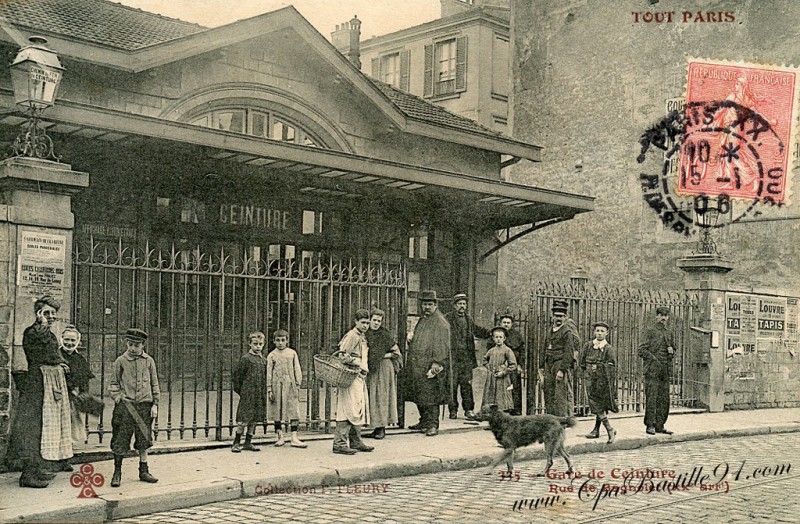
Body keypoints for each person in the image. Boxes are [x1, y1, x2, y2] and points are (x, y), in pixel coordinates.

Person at [14, 295, 73, 488]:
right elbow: (43, 355)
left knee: (44, 428)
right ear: (38, 314)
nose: (51, 317)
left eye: (54, 314)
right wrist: (58, 363)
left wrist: (60, 363)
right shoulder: (33, 332)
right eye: (46, 313)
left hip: (46, 386)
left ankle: (37, 470)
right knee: (33, 428)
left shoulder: (47, 333)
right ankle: (28, 475)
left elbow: (54, 355)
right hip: (36, 385)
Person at [109, 328, 160, 487]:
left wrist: (155, 404)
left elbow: (154, 383)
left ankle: (143, 470)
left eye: (136, 345)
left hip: (144, 406)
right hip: (126, 407)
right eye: (130, 344)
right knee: (121, 439)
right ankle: (117, 472)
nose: (132, 348)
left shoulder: (149, 361)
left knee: (144, 439)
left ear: (143, 345)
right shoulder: (120, 361)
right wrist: (118, 397)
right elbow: (113, 384)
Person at [405, 290, 451, 436]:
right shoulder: (424, 319)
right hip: (418, 364)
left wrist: (436, 365)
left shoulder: (440, 322)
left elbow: (442, 345)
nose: (426, 307)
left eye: (429, 304)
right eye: (424, 304)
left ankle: (433, 425)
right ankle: (423, 421)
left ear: (435, 305)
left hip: (430, 365)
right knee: (420, 394)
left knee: (431, 396)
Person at [332, 309, 374, 455]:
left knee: (357, 408)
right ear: (356, 321)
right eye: (362, 323)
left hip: (359, 377)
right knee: (347, 408)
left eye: (367, 323)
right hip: (350, 377)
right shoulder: (352, 336)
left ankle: (355, 440)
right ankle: (339, 443)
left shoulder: (362, 336)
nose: (365, 326)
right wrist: (357, 363)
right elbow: (342, 355)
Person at [444, 293, 491, 420]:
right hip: (452, 357)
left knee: (466, 385)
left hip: (465, 358)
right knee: (452, 385)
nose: (462, 306)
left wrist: (490, 333)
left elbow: (477, 330)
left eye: (464, 304)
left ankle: (468, 410)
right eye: (459, 304)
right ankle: (453, 410)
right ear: (454, 305)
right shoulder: (447, 318)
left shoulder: (468, 319)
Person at [59, 325, 95, 465]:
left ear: (78, 342)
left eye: (73, 340)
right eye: (66, 339)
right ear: (61, 339)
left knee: (70, 428)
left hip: (72, 398)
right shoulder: (56, 356)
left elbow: (84, 381)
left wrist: (83, 395)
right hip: (57, 397)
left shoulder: (79, 359)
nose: (69, 343)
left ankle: (66, 458)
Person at [538, 300, 580, 417]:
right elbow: (544, 348)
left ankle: (562, 420)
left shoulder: (567, 332)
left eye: (561, 316)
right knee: (548, 392)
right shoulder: (550, 330)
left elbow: (569, 352)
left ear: (565, 317)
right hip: (549, 365)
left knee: (560, 394)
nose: (558, 319)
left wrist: (562, 370)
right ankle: (551, 419)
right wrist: (541, 366)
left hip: (559, 364)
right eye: (556, 316)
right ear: (552, 316)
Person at [366, 308, 402, 440]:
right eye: (374, 320)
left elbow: (396, 352)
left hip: (384, 369)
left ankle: (381, 428)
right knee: (372, 397)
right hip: (371, 368)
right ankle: (375, 426)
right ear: (369, 320)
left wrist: (383, 355)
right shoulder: (366, 333)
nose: (376, 323)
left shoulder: (384, 334)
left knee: (381, 396)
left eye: (379, 321)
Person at [639, 307, 676, 436]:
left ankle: (660, 425)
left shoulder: (669, 332)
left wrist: (671, 352)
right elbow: (641, 350)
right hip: (652, 370)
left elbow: (672, 349)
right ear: (657, 316)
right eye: (661, 315)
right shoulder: (650, 331)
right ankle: (650, 425)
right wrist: (654, 360)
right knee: (652, 397)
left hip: (665, 370)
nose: (663, 318)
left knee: (664, 398)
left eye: (666, 316)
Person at [267, 329, 306, 448]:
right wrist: (269, 388)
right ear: (274, 341)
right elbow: (269, 372)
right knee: (277, 409)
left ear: (287, 341)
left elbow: (297, 369)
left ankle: (294, 436)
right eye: (278, 340)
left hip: (290, 384)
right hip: (276, 384)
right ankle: (280, 436)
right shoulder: (272, 355)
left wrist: (297, 384)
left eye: (283, 340)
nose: (280, 343)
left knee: (293, 409)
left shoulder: (292, 353)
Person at [580, 321, 618, 443]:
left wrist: (600, 368)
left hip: (602, 381)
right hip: (590, 379)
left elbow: (612, 366)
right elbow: (582, 362)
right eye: (597, 331)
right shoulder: (588, 346)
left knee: (598, 404)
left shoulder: (608, 348)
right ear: (594, 332)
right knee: (596, 403)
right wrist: (588, 371)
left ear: (607, 333)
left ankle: (609, 429)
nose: (599, 333)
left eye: (602, 331)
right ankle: (597, 430)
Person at [230, 331, 268, 453]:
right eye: (255, 343)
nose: (258, 346)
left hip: (259, 394)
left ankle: (248, 442)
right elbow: (237, 377)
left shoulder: (264, 360)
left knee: (254, 418)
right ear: (249, 344)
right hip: (248, 394)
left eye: (260, 344)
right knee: (243, 419)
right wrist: (243, 391)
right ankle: (236, 442)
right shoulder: (246, 359)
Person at [487, 314, 525, 415]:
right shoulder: (496, 336)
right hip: (499, 367)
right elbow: (489, 352)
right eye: (504, 322)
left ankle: (515, 410)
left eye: (508, 323)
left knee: (514, 387)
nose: (506, 325)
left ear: (512, 324)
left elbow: (522, 351)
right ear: (500, 323)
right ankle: (500, 410)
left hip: (513, 366)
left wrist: (520, 365)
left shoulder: (517, 335)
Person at [481, 327, 518, 413]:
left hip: (503, 379)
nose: (498, 339)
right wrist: (489, 367)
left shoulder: (507, 350)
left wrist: (504, 372)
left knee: (502, 395)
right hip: (492, 377)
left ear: (504, 338)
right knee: (490, 394)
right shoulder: (491, 351)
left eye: (500, 337)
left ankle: (503, 412)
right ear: (493, 338)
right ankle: (490, 410)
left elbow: (513, 365)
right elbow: (484, 360)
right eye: (496, 337)